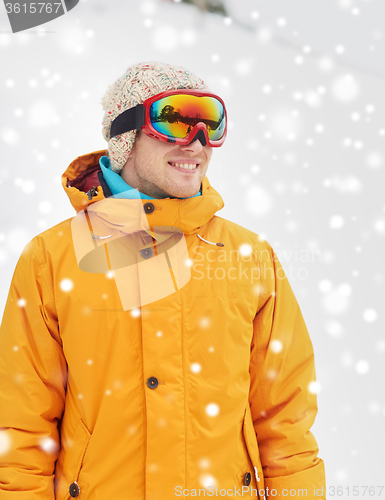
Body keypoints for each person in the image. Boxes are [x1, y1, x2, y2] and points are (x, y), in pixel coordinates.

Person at [0, 61, 326, 499]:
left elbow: (286, 422)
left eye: (211, 123)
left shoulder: (249, 257)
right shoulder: (52, 259)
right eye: (174, 119)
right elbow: (19, 427)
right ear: (126, 136)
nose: (198, 143)